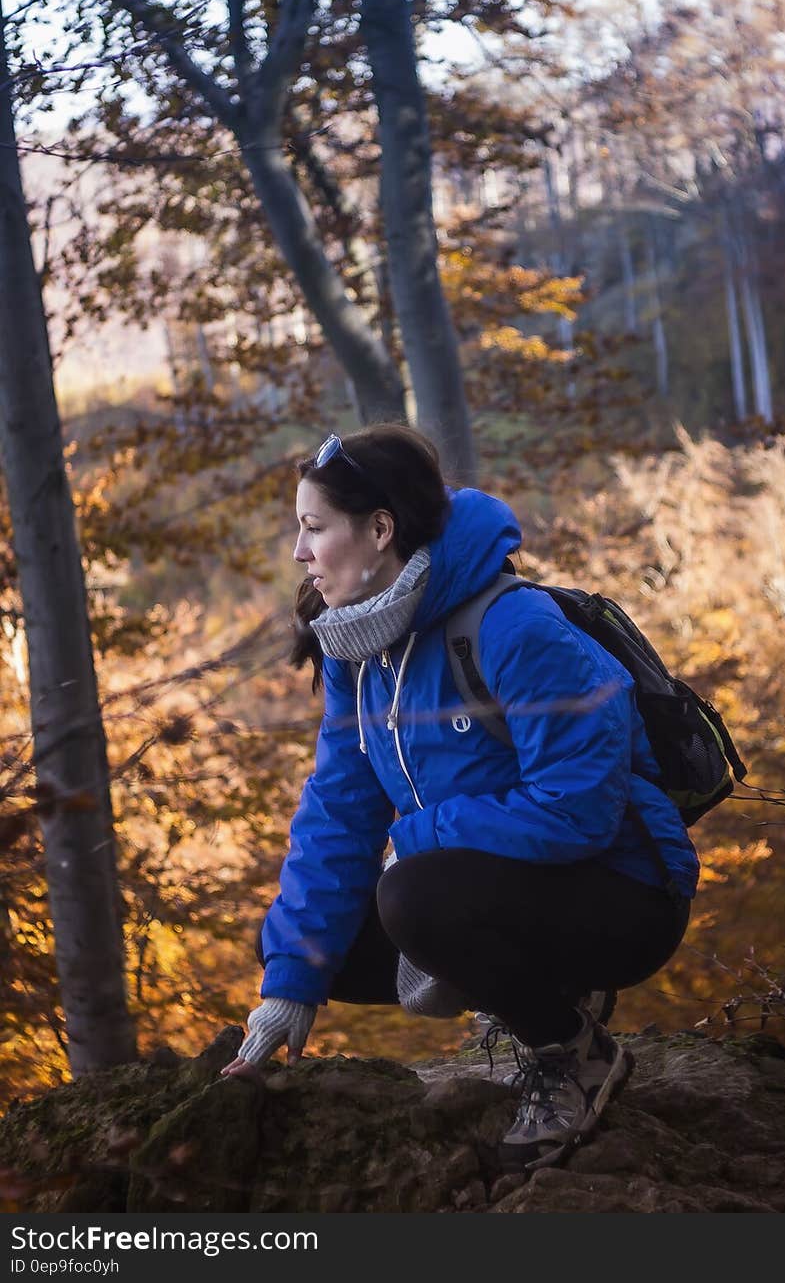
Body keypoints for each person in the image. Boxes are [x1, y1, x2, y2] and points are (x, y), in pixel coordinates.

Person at [220, 423, 698, 1170]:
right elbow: (338, 812)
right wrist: (289, 985)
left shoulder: (514, 626)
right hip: (498, 884)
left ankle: (571, 1053)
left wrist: (421, 836)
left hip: (627, 891)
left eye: (314, 528)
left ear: (380, 529)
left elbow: (579, 809)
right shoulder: (361, 650)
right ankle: (531, 995)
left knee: (413, 895)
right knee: (307, 948)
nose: (299, 552)